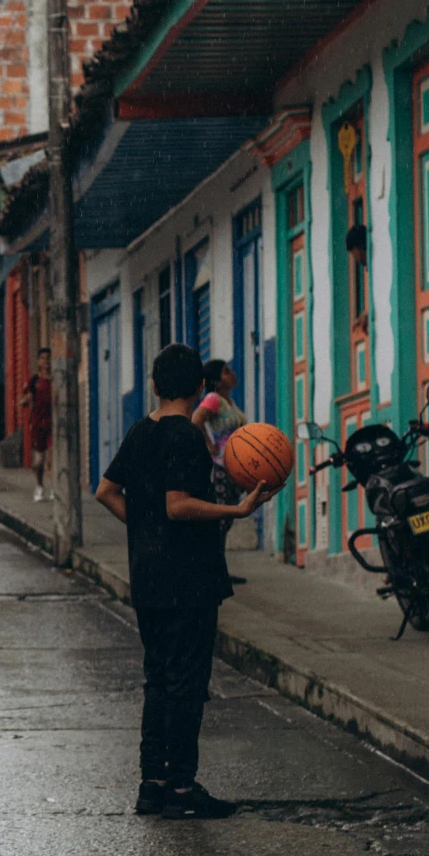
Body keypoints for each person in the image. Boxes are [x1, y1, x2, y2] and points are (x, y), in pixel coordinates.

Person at [96, 343, 273, 820]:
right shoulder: (186, 437)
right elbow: (179, 504)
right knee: (189, 682)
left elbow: (105, 491)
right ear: (199, 387)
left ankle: (151, 784)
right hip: (189, 578)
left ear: (153, 385)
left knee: (158, 678)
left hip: (149, 577)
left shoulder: (140, 431)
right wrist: (236, 509)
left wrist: (144, 529)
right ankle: (181, 786)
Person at [194, 358, 251, 584]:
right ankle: (212, 571)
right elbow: (196, 420)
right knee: (219, 520)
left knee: (225, 522)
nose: (233, 374)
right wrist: (209, 444)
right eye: (227, 371)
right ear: (217, 382)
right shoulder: (213, 399)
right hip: (220, 466)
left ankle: (218, 570)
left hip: (233, 467)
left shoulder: (229, 402)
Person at [23, 347, 55, 501]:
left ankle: (55, 488)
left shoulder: (56, 379)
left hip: (53, 423)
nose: (46, 361)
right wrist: (26, 400)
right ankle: (39, 486)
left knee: (52, 457)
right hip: (37, 423)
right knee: (39, 461)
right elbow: (23, 400)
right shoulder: (34, 381)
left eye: (48, 358)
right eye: (43, 358)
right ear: (38, 361)